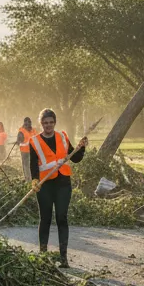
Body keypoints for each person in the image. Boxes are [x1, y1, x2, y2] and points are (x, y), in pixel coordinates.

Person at [27, 108, 87, 268]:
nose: (48, 125)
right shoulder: (34, 141)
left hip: (63, 184)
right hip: (44, 185)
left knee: (62, 218)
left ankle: (63, 258)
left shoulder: (62, 137)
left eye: (51, 122)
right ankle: (43, 256)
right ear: (41, 124)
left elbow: (75, 158)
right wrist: (34, 180)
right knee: (45, 219)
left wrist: (82, 148)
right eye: (45, 123)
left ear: (55, 122)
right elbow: (32, 164)